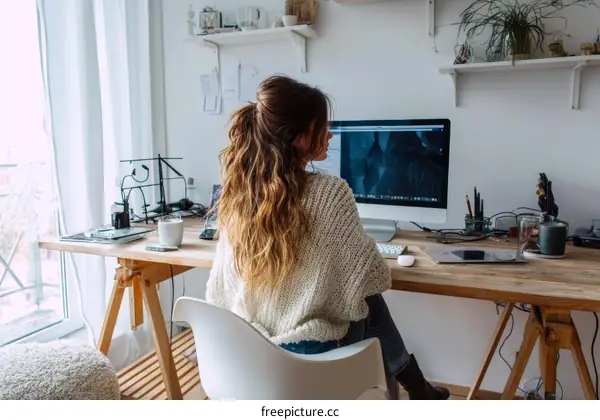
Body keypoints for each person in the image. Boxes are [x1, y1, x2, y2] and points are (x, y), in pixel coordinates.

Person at [206, 75, 449, 400]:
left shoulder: (237, 196)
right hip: (312, 359)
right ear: (299, 137)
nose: (331, 134)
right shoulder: (330, 193)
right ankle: (416, 387)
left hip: (250, 359)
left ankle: (417, 388)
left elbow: (220, 291)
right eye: (322, 126)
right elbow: (373, 277)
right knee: (370, 300)